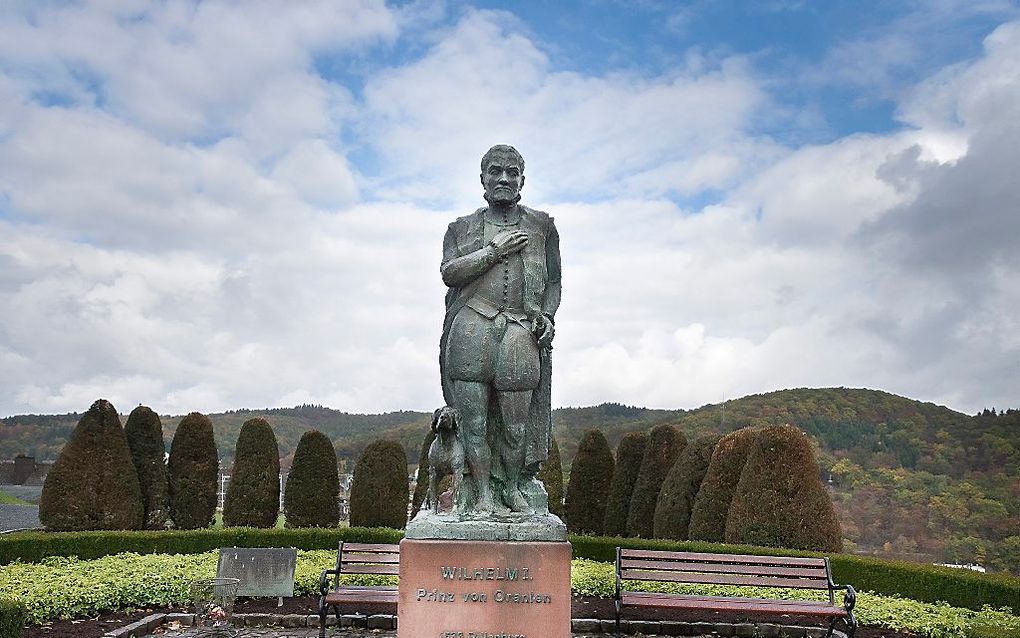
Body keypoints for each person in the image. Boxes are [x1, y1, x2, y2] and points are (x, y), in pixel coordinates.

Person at [439, 144, 561, 515]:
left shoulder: (542, 225)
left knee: (516, 426)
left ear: (523, 179)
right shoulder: (460, 228)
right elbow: (449, 273)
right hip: (472, 325)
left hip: (520, 329)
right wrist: (492, 251)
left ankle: (510, 487)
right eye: (495, 171)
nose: (504, 178)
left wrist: (548, 315)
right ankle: (482, 496)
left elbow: (554, 281)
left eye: (512, 172)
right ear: (483, 179)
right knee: (472, 424)